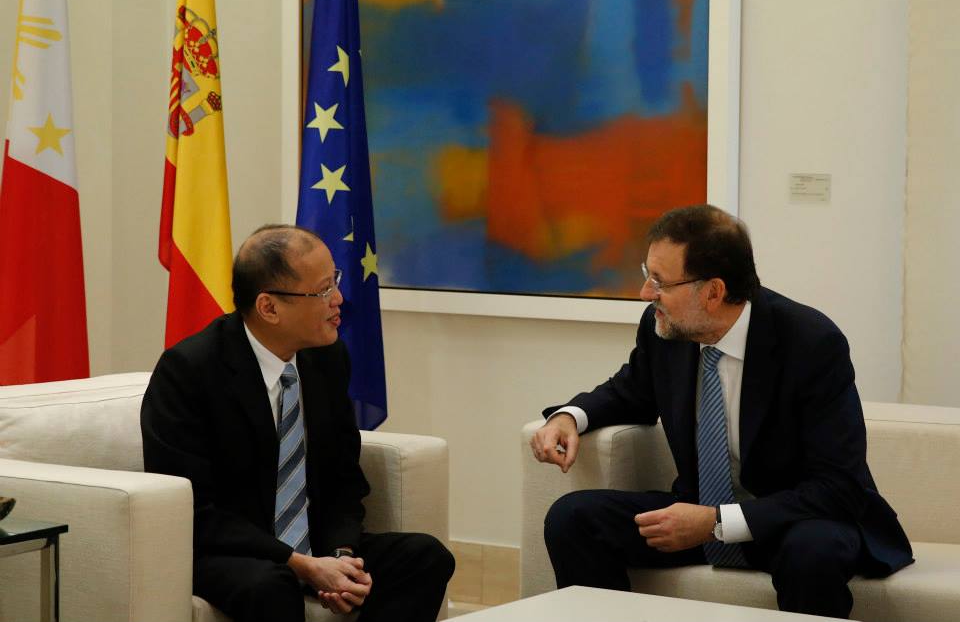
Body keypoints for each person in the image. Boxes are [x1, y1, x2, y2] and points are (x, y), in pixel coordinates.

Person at [529, 204, 913, 618]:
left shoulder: (811, 342)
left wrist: (717, 521)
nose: (645, 294)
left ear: (713, 292)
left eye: (659, 282)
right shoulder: (665, 330)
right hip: (695, 513)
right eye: (647, 275)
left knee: (813, 550)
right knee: (573, 518)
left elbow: (838, 487)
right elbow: (630, 391)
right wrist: (569, 416)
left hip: (790, 519)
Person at [142, 224, 454, 622]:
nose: (338, 299)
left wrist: (340, 556)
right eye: (323, 291)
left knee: (424, 557)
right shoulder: (188, 371)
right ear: (269, 307)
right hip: (231, 550)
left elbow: (344, 479)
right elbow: (194, 510)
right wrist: (299, 564)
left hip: (315, 542)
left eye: (334, 282)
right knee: (272, 586)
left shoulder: (326, 359)